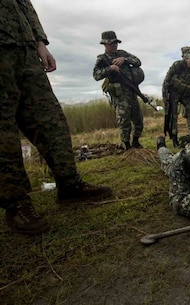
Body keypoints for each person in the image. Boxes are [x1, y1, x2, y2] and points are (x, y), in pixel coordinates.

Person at [0, 0, 112, 235]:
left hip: (27, 50)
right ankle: (16, 203)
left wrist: (40, 42)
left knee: (52, 120)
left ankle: (69, 184)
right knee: (3, 133)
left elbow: (25, 4)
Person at [93, 31, 144, 150]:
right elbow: (96, 75)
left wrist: (125, 59)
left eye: (115, 43)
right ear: (105, 44)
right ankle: (127, 146)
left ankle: (136, 142)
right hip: (119, 96)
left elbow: (138, 61)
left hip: (132, 91)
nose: (114, 46)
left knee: (138, 119)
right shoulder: (102, 59)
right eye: (111, 44)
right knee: (124, 121)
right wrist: (109, 68)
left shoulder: (123, 54)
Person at [162, 47, 190, 147]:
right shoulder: (177, 65)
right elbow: (167, 80)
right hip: (174, 93)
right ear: (187, 58)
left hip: (187, 95)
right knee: (173, 116)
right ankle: (174, 140)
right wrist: (164, 95)